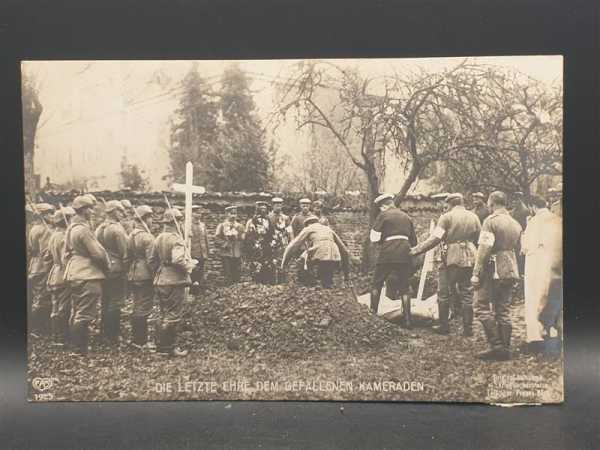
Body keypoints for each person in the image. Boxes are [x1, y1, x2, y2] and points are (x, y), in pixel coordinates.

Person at [410, 193, 481, 336]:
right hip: (470, 256)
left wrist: (416, 250)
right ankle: (468, 329)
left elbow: (435, 238)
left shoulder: (446, 217)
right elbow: (478, 237)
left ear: (450, 204)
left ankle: (444, 327)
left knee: (443, 293)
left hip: (450, 257)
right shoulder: (474, 217)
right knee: (467, 293)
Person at [471, 191, 522, 361]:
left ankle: (496, 346)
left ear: (491, 203)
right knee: (503, 309)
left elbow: (484, 248)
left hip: (492, 269)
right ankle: (505, 348)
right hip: (510, 267)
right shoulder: (516, 223)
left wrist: (476, 272)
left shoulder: (490, 221)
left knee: (480, 306)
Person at [63, 195, 110, 355]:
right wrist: (106, 267)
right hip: (87, 273)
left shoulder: (71, 228)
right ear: (83, 210)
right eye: (90, 208)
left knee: (77, 311)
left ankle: (76, 347)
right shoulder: (83, 230)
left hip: (75, 272)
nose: (92, 211)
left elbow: (66, 253)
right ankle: (79, 349)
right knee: (84, 313)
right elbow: (98, 254)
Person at [148, 208, 197, 357]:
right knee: (173, 314)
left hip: (161, 279)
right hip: (175, 280)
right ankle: (168, 348)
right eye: (180, 220)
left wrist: (160, 272)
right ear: (177, 222)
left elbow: (151, 260)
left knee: (163, 313)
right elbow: (178, 259)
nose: (182, 223)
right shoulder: (176, 239)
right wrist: (190, 266)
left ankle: (160, 346)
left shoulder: (159, 237)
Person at [521, 195, 563, 354]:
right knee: (552, 299)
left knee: (533, 301)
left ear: (532, 206)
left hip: (536, 266)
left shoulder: (533, 222)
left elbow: (526, 247)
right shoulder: (557, 220)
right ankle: (554, 336)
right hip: (555, 266)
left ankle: (535, 339)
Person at [369, 193, 418, 327]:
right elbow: (414, 241)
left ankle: (372, 315)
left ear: (383, 206)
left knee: (376, 283)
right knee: (404, 287)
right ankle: (408, 320)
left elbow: (373, 238)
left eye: (380, 207)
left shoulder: (383, 215)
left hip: (388, 253)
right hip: (404, 253)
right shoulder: (407, 217)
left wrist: (384, 240)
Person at [281, 216, 351, 288]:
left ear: (308, 224)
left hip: (320, 253)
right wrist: (347, 274)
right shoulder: (328, 229)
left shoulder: (308, 228)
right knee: (327, 280)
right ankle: (326, 287)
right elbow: (344, 251)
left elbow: (293, 245)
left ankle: (307, 285)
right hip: (333, 255)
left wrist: (284, 264)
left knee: (302, 262)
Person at [95, 200, 129, 346]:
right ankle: (113, 336)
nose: (123, 214)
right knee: (115, 302)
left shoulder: (99, 228)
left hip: (104, 269)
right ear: (114, 211)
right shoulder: (117, 229)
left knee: (105, 301)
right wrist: (127, 270)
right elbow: (125, 253)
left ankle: (104, 333)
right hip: (117, 270)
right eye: (121, 211)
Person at [46, 207, 76, 348]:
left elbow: (47, 257)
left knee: (55, 306)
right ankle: (62, 338)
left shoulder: (53, 235)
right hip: (63, 274)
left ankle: (55, 336)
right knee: (64, 307)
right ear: (67, 220)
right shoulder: (64, 237)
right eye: (71, 218)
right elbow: (65, 259)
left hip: (54, 273)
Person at [127, 205, 156, 350]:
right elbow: (152, 260)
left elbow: (127, 256)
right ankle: (141, 341)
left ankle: (135, 339)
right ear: (145, 219)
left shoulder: (131, 235)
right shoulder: (147, 237)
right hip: (145, 275)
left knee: (137, 305)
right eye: (150, 217)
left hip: (134, 273)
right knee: (144, 307)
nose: (152, 221)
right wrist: (156, 275)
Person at [28, 202, 55, 337]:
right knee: (43, 297)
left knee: (38, 296)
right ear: (43, 215)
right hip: (43, 266)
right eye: (49, 213)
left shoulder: (34, 228)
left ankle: (36, 328)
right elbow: (46, 253)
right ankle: (39, 328)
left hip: (34, 265)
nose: (52, 215)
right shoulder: (45, 230)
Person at [245, 201, 275, 284]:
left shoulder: (268, 220)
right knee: (256, 262)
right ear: (258, 210)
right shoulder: (252, 221)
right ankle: (256, 281)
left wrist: (272, 241)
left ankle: (265, 280)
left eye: (265, 209)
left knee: (267, 261)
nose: (263, 210)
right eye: (261, 208)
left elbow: (271, 232)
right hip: (256, 243)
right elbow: (248, 234)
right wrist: (254, 242)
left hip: (266, 244)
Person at [215, 206, 245, 285]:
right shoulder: (222, 226)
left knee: (237, 272)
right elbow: (217, 239)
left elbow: (243, 239)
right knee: (227, 273)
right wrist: (225, 244)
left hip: (236, 253)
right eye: (231, 213)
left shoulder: (240, 226)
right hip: (226, 253)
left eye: (235, 213)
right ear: (226, 214)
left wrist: (239, 237)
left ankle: (236, 290)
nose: (233, 216)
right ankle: (228, 289)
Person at [268, 197, 292, 283]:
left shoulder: (286, 218)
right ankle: (272, 279)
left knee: (282, 259)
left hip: (283, 241)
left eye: (280, 205)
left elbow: (289, 230)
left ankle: (283, 279)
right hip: (271, 241)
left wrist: (291, 241)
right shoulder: (268, 217)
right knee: (271, 260)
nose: (278, 207)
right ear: (272, 206)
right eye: (276, 205)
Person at [189, 205, 210, 295]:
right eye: (196, 212)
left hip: (202, 253)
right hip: (193, 253)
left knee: (200, 272)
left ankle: (199, 291)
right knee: (193, 272)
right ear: (192, 213)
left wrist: (206, 252)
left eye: (199, 212)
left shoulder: (202, 225)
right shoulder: (188, 225)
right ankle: (192, 292)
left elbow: (206, 239)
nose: (199, 214)